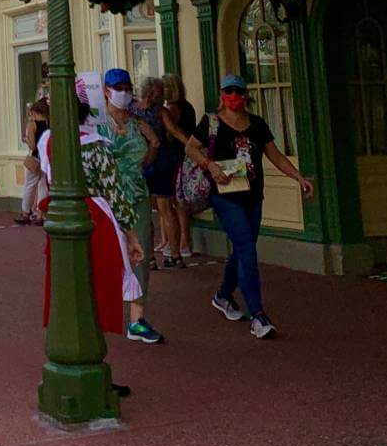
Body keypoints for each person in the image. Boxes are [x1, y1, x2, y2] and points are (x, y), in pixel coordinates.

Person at [180, 73, 314, 340]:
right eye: (228, 92)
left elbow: (274, 154)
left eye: (238, 92)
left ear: (245, 95)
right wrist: (210, 165)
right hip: (225, 194)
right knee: (246, 249)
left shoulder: (257, 125)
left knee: (243, 249)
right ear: (222, 95)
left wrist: (298, 176)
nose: (233, 97)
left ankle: (223, 295)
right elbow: (191, 148)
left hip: (253, 195)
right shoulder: (212, 122)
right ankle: (258, 314)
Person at [37, 101, 154, 370]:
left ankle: (66, 346)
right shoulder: (96, 146)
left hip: (61, 215)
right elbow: (113, 192)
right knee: (97, 286)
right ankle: (90, 355)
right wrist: (131, 235)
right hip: (95, 217)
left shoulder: (49, 142)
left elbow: (47, 177)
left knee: (66, 284)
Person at [104, 68, 162, 343]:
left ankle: (137, 319)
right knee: (107, 255)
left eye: (128, 87)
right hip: (107, 199)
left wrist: (152, 144)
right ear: (106, 90)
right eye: (119, 88)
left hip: (137, 195)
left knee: (140, 254)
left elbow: (147, 159)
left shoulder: (139, 122)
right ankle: (102, 312)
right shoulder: (97, 124)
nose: (124, 92)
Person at [160, 74, 198, 263]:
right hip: (187, 155)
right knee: (180, 200)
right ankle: (183, 240)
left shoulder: (172, 109)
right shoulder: (188, 107)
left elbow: (170, 131)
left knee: (178, 200)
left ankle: (183, 240)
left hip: (177, 156)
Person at [15, 98, 49, 226]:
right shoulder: (48, 123)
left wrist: (26, 139)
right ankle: (40, 214)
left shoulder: (32, 125)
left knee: (29, 185)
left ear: (34, 112)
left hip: (35, 158)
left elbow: (33, 146)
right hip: (45, 159)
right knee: (42, 186)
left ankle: (25, 213)